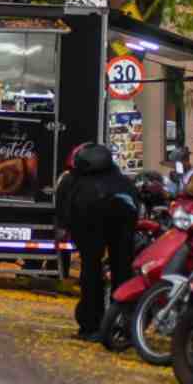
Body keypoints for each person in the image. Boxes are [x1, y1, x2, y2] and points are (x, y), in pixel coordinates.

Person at [60, 142, 139, 342]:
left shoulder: (74, 181)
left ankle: (91, 324)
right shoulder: (123, 182)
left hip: (90, 227)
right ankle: (122, 324)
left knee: (91, 269)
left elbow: (65, 211)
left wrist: (69, 231)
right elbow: (134, 211)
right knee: (122, 270)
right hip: (122, 227)